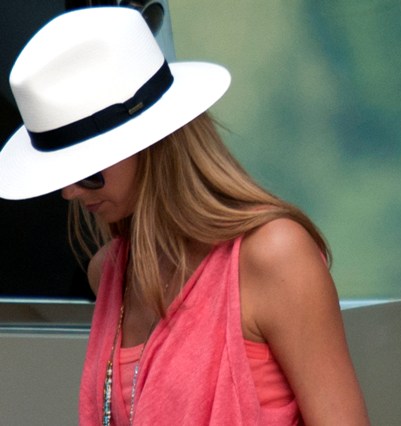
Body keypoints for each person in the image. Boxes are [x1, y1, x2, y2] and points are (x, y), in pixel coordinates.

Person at [0, 7, 370, 425]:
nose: (69, 192)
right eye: (59, 175)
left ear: (153, 145)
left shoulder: (273, 255)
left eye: (86, 170)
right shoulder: (110, 272)